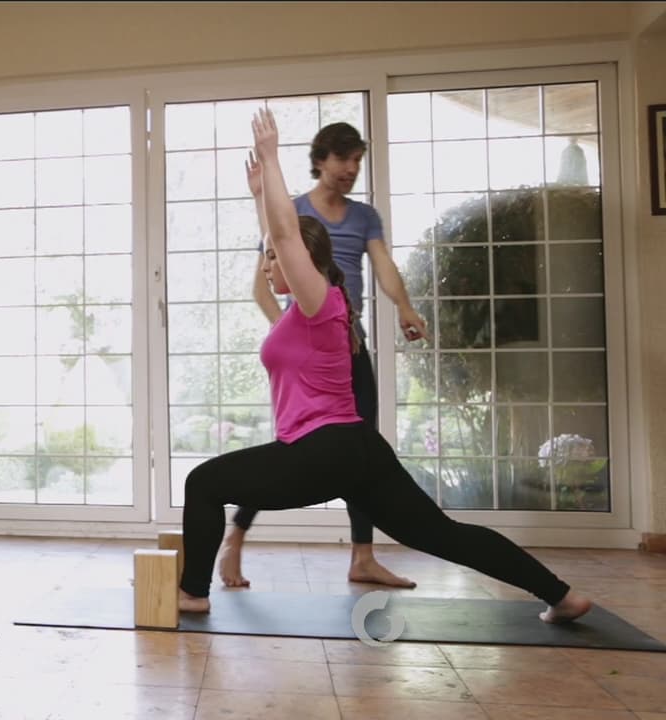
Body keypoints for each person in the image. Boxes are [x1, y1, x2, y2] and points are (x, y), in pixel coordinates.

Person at [177, 108, 592, 627]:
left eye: (274, 260)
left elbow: (287, 238)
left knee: (203, 482)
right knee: (442, 534)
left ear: (306, 262)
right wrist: (261, 196)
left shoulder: (319, 300)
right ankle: (561, 595)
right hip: (352, 451)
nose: (266, 266)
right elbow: (279, 238)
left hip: (321, 449)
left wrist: (272, 158)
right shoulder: (305, 309)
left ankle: (193, 593)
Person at [220, 121, 427, 590]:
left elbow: (384, 267)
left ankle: (363, 556)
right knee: (290, 446)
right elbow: (263, 281)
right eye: (343, 158)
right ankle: (235, 536)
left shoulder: (363, 216)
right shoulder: (289, 212)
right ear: (320, 160)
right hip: (309, 345)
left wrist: (405, 306)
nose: (351, 168)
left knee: (360, 445)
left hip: (348, 340)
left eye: (357, 159)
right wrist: (286, 334)